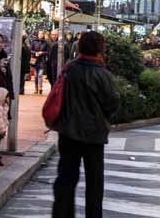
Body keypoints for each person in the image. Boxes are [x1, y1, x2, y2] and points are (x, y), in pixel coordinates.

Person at [52, 31, 120, 218]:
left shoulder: (69, 69)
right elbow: (113, 102)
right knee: (94, 183)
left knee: (66, 179)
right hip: (94, 135)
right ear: (100, 49)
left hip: (68, 132)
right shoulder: (102, 73)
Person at [30, 30, 49, 95]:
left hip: (42, 60)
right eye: (39, 34)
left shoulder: (46, 43)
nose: (40, 35)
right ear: (38, 34)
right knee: (35, 76)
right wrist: (35, 53)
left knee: (40, 75)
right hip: (34, 60)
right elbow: (31, 50)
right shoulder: (34, 42)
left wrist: (42, 53)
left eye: (42, 34)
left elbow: (48, 52)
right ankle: (36, 88)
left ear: (43, 35)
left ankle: (40, 88)